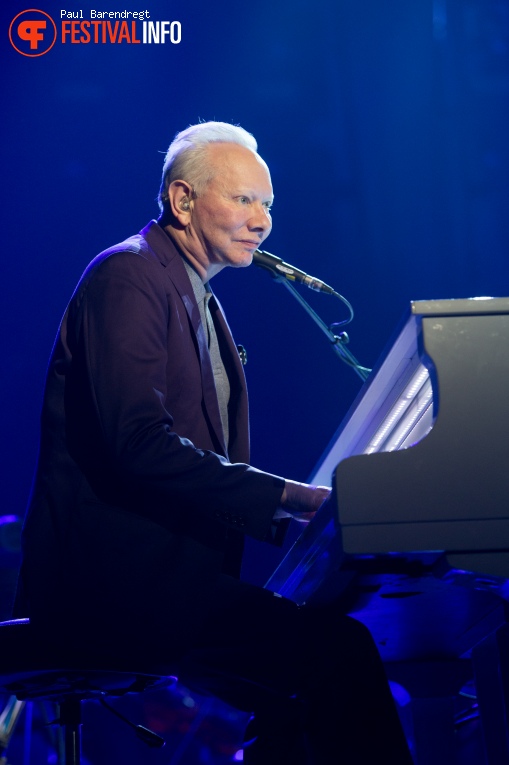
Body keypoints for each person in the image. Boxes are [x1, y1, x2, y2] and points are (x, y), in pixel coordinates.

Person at [16, 121, 413, 763]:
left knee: (300, 686)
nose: (262, 221)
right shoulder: (128, 277)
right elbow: (138, 443)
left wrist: (297, 510)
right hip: (114, 588)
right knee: (336, 655)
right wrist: (290, 498)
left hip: (169, 583)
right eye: (243, 200)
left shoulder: (195, 296)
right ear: (182, 200)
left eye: (268, 205)